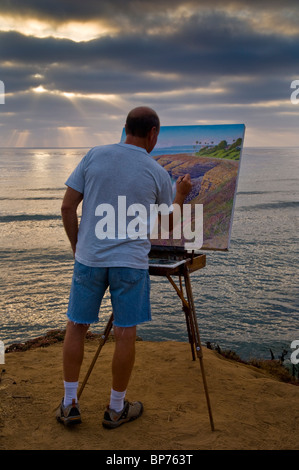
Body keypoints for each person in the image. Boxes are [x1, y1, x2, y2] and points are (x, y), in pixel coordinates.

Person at [55, 106, 192, 428]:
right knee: (125, 333)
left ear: (125, 127)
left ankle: (69, 404)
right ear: (153, 133)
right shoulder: (156, 171)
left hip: (90, 258)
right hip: (129, 263)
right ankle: (116, 409)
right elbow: (169, 223)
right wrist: (181, 195)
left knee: (76, 326)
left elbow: (66, 206)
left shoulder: (94, 155)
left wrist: (79, 247)